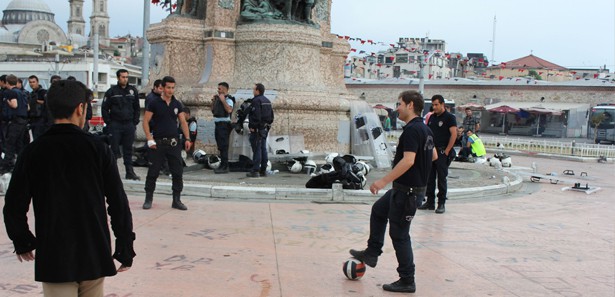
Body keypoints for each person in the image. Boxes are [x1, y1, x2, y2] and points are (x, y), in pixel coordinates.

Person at [3, 79, 135, 296]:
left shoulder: (34, 151)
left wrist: (22, 239)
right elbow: (118, 202)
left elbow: (14, 204)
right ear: (80, 108)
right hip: (93, 252)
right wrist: (124, 244)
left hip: (55, 256)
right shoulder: (97, 149)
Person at [349, 90, 437, 293]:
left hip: (408, 192)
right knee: (379, 210)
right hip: (406, 190)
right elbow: (432, 156)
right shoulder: (425, 129)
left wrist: (382, 181)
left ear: (410, 105)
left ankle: (407, 279)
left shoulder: (413, 131)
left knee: (399, 235)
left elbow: (408, 160)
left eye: (399, 104)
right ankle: (372, 252)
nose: (396, 108)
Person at [142, 76, 192, 210]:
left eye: (173, 88)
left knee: (177, 172)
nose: (170, 90)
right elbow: (145, 121)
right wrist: (149, 138)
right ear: (162, 88)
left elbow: (183, 122)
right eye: (168, 87)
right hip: (158, 143)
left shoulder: (177, 104)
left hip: (174, 143)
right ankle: (148, 199)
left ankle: (176, 200)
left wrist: (187, 138)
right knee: (153, 172)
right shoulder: (154, 103)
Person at [419, 94, 457, 214]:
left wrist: (446, 152)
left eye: (436, 105)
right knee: (430, 178)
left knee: (441, 179)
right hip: (432, 151)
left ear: (442, 104)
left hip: (442, 152)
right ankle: (430, 202)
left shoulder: (449, 117)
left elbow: (454, 135)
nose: (434, 107)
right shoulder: (432, 117)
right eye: (433, 105)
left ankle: (441, 203)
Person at [101, 69, 141, 180]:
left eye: (126, 77)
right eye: (123, 77)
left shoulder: (132, 91)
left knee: (128, 150)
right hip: (115, 125)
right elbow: (104, 108)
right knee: (114, 151)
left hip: (129, 124)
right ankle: (112, 173)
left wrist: (135, 122)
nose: (125, 79)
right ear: (118, 78)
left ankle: (129, 172)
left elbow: (137, 107)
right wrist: (109, 123)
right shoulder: (111, 92)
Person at [1, 75, 29, 174]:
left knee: (10, 144)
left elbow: (14, 105)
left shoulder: (10, 92)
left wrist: (7, 101)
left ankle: (8, 166)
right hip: (23, 121)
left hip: (15, 121)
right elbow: (28, 107)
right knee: (19, 144)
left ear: (7, 83)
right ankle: (21, 165)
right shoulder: (22, 92)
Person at [246, 83, 274, 178]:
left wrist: (253, 126)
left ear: (258, 91)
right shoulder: (267, 101)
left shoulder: (256, 101)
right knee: (263, 149)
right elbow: (271, 116)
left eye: (254, 89)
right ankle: (263, 170)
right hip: (265, 128)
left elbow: (256, 116)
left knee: (257, 149)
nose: (253, 91)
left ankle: (255, 170)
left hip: (257, 129)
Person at [211, 82, 235, 174]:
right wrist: (214, 101)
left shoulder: (229, 99)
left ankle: (225, 166)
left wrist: (223, 100)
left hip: (224, 125)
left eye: (220, 89)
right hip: (218, 124)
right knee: (220, 146)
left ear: (225, 89)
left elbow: (229, 110)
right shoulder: (218, 99)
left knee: (224, 146)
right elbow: (213, 111)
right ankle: (222, 164)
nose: (218, 90)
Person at [27, 75, 49, 139]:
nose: (32, 84)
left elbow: (47, 104)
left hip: (41, 119)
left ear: (37, 82)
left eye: (33, 82)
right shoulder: (31, 94)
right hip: (33, 119)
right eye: (30, 82)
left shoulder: (43, 92)